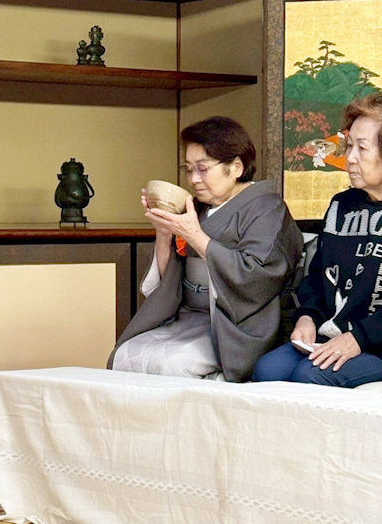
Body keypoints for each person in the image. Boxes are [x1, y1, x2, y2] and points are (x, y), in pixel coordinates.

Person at [107, 116, 303, 382]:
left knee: (173, 365)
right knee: (126, 354)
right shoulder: (197, 207)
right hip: (188, 316)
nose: (193, 179)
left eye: (202, 169)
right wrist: (163, 232)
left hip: (233, 326)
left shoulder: (267, 208)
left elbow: (257, 278)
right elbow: (170, 279)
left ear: (236, 167)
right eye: (188, 169)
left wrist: (195, 236)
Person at [253, 93, 382, 387]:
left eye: (362, 148)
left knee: (308, 376)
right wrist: (308, 317)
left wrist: (359, 338)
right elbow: (317, 277)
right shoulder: (341, 205)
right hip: (333, 335)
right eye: (350, 146)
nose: (350, 158)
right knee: (267, 370)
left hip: (374, 344)